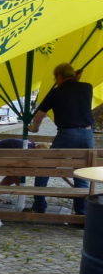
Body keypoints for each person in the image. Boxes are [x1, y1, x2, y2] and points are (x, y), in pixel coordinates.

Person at [27, 62, 94, 215]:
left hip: (67, 134)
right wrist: (75, 78)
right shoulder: (87, 87)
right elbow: (76, 93)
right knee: (82, 172)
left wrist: (35, 128)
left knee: (45, 169)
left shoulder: (56, 92)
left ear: (59, 76)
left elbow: (40, 114)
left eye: (55, 78)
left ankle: (39, 206)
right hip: (87, 134)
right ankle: (81, 212)